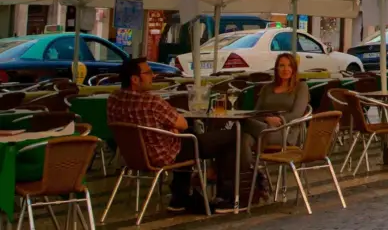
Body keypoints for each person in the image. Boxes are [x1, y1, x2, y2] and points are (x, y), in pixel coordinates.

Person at [109, 58, 242, 213]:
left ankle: (180, 196)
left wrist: (174, 129)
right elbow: (182, 123)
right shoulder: (151, 101)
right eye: (148, 72)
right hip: (164, 154)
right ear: (134, 79)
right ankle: (225, 198)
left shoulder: (113, 99)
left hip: (133, 156)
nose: (153, 75)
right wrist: (175, 128)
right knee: (232, 137)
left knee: (189, 135)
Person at [243, 53, 310, 152]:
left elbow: (297, 114)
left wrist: (279, 120)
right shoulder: (267, 88)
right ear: (276, 68)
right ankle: (250, 167)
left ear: (294, 69)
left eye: (289, 65)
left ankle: (237, 128)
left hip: (286, 131)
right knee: (244, 140)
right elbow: (256, 112)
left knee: (240, 129)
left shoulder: (301, 87)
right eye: (282, 65)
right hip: (263, 127)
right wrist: (267, 119)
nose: (285, 69)